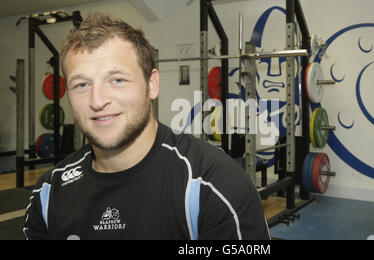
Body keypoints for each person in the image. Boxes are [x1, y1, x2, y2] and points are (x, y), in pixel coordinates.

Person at [23, 13, 270, 240]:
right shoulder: (48, 194)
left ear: (152, 84)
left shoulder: (214, 185)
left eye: (117, 80)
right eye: (81, 85)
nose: (97, 101)